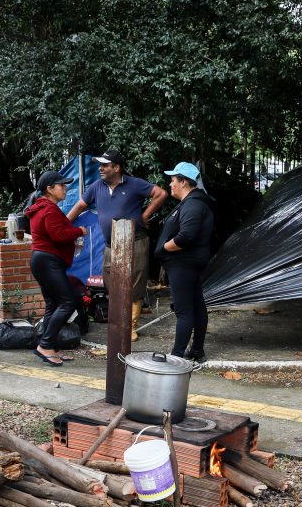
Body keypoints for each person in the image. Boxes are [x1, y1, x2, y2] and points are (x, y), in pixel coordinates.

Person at [66, 149, 166, 340]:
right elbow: (80, 206)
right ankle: (119, 323)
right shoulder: (97, 187)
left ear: (117, 167)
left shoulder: (134, 184)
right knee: (111, 283)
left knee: (134, 284)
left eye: (105, 165)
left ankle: (130, 327)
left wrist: (145, 215)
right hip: (110, 244)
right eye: (100, 165)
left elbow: (160, 194)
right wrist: (62, 224)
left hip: (135, 242)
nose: (101, 168)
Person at [26, 170, 88, 367]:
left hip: (43, 260)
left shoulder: (41, 208)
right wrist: (79, 231)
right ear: (49, 189)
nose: (66, 189)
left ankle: (49, 346)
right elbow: (59, 235)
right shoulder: (49, 209)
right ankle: (45, 345)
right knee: (67, 303)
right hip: (48, 261)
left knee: (53, 304)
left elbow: (55, 232)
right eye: (62, 185)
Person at [154, 162, 215, 363]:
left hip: (183, 263)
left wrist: (165, 248)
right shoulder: (192, 203)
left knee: (184, 311)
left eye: (173, 180)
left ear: (183, 182)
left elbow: (186, 236)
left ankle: (177, 356)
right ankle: (197, 350)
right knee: (196, 305)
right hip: (186, 263)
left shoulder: (193, 204)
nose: (170, 184)